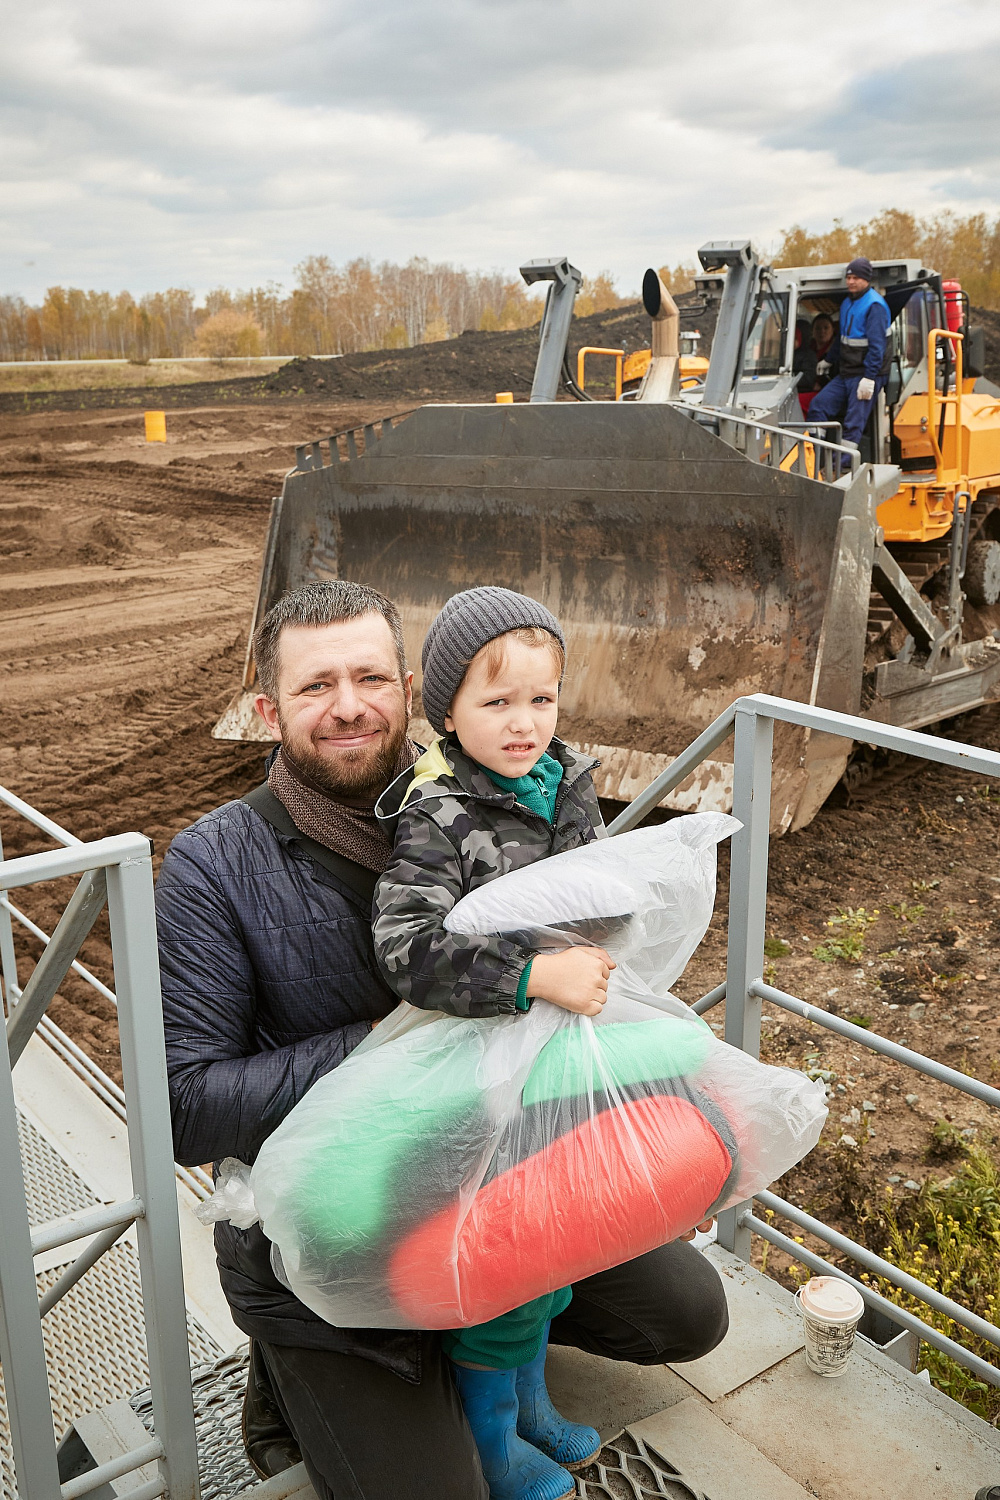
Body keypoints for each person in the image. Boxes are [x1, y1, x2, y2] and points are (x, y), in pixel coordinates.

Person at [157, 579, 729, 1500]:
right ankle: (299, 1373)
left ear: (416, 685)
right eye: (314, 688)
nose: (349, 706)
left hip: (498, 1167)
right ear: (268, 709)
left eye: (371, 677)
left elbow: (589, 963)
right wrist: (398, 1038)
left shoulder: (494, 799)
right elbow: (184, 1109)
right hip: (339, 1223)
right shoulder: (211, 867)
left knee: (688, 1316)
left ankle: (488, 1345)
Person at [372, 585, 717, 1500]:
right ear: (445, 708)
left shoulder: (566, 778)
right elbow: (407, 950)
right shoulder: (437, 813)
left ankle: (530, 1401)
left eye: (542, 698)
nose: (524, 723)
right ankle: (490, 1435)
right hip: (487, 1068)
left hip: (564, 1052)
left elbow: (590, 891)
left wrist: (627, 909)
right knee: (510, 1244)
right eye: (496, 702)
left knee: (565, 1231)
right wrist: (528, 977)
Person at [808, 256, 891, 453]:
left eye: (856, 278)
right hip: (847, 373)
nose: (851, 281)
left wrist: (869, 378)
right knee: (818, 405)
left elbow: (877, 347)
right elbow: (842, 338)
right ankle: (815, 458)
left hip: (866, 374)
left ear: (866, 280)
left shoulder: (875, 306)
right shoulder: (847, 304)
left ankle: (842, 467)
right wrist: (828, 359)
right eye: (849, 277)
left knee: (853, 423)